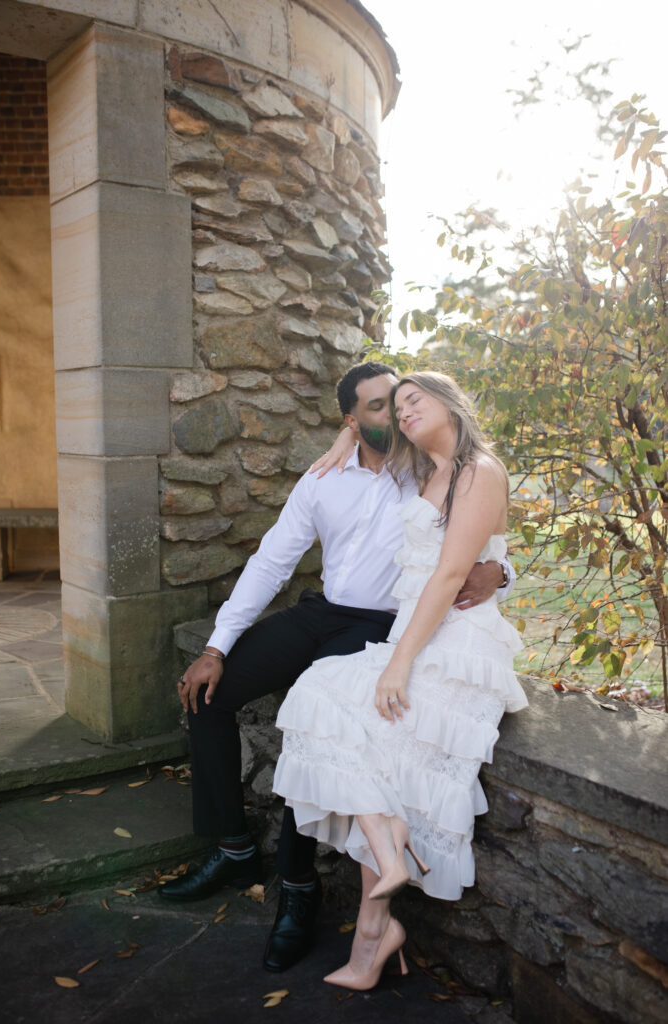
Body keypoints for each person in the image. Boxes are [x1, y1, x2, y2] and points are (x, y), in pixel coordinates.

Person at [161, 362, 515, 974]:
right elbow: (272, 562)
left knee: (318, 715)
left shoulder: (424, 469)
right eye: (378, 408)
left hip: (381, 627)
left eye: (400, 404)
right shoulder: (323, 477)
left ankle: (298, 888)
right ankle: (232, 847)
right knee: (212, 698)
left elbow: (482, 537)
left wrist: (505, 572)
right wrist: (217, 646)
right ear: (351, 419)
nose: (396, 416)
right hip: (320, 611)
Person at [272, 371, 528, 990]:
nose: (405, 412)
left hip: (453, 646)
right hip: (411, 636)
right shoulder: (422, 470)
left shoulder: (477, 468)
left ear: (450, 402)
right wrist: (343, 438)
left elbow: (450, 576)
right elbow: (366, 442)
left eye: (416, 400)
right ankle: (388, 870)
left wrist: (399, 662)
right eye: (397, 406)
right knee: (317, 696)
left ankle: (372, 941)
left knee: (379, 744)